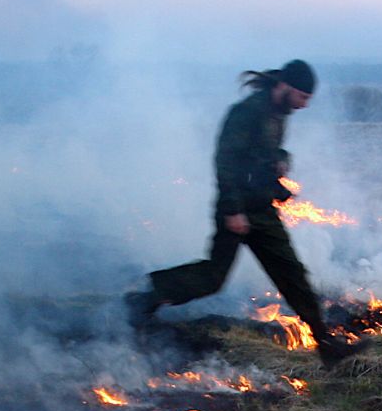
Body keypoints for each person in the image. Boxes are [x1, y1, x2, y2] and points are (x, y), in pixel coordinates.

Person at [126, 59, 364, 364]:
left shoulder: (280, 113)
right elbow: (225, 162)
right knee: (213, 278)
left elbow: (262, 157)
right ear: (286, 86)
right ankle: (146, 296)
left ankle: (326, 344)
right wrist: (232, 210)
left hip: (261, 210)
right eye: (303, 97)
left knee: (292, 274)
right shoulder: (247, 112)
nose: (304, 105)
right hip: (236, 209)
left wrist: (281, 163)